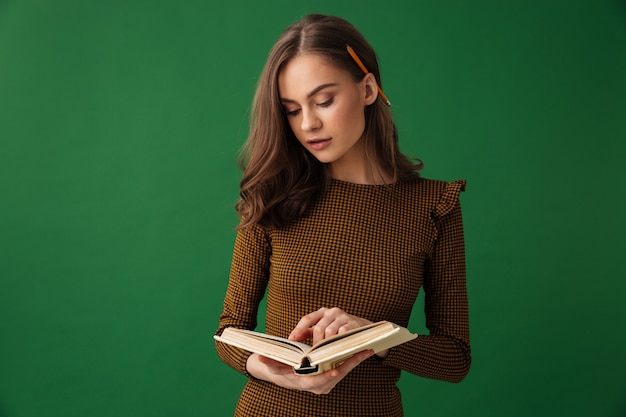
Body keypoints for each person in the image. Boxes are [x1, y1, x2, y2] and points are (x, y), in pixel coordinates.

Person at [215, 13, 471, 417]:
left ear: (367, 88)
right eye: (292, 110)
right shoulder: (274, 194)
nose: (308, 124)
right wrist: (278, 373)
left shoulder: (433, 207)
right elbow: (228, 332)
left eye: (324, 100)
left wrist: (375, 337)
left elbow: (455, 358)